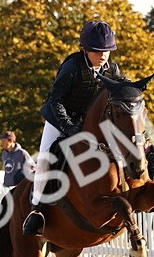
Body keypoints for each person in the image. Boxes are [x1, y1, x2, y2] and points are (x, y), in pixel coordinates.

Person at [23, 20, 125, 236]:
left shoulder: (112, 69)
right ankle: (36, 209)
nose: (103, 55)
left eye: (107, 50)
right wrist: (69, 127)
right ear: (85, 50)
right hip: (60, 119)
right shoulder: (72, 67)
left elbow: (118, 94)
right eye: (98, 51)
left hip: (89, 122)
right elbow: (54, 101)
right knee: (45, 160)